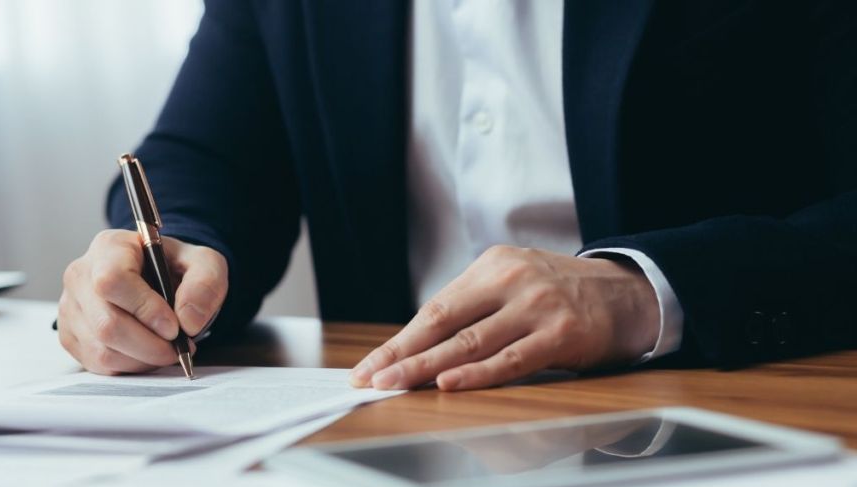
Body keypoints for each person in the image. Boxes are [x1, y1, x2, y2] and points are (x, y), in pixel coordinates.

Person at [58, 1, 857, 391]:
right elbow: (206, 154)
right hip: (389, 433)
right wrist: (167, 255)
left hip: (732, 406)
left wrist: (645, 291)